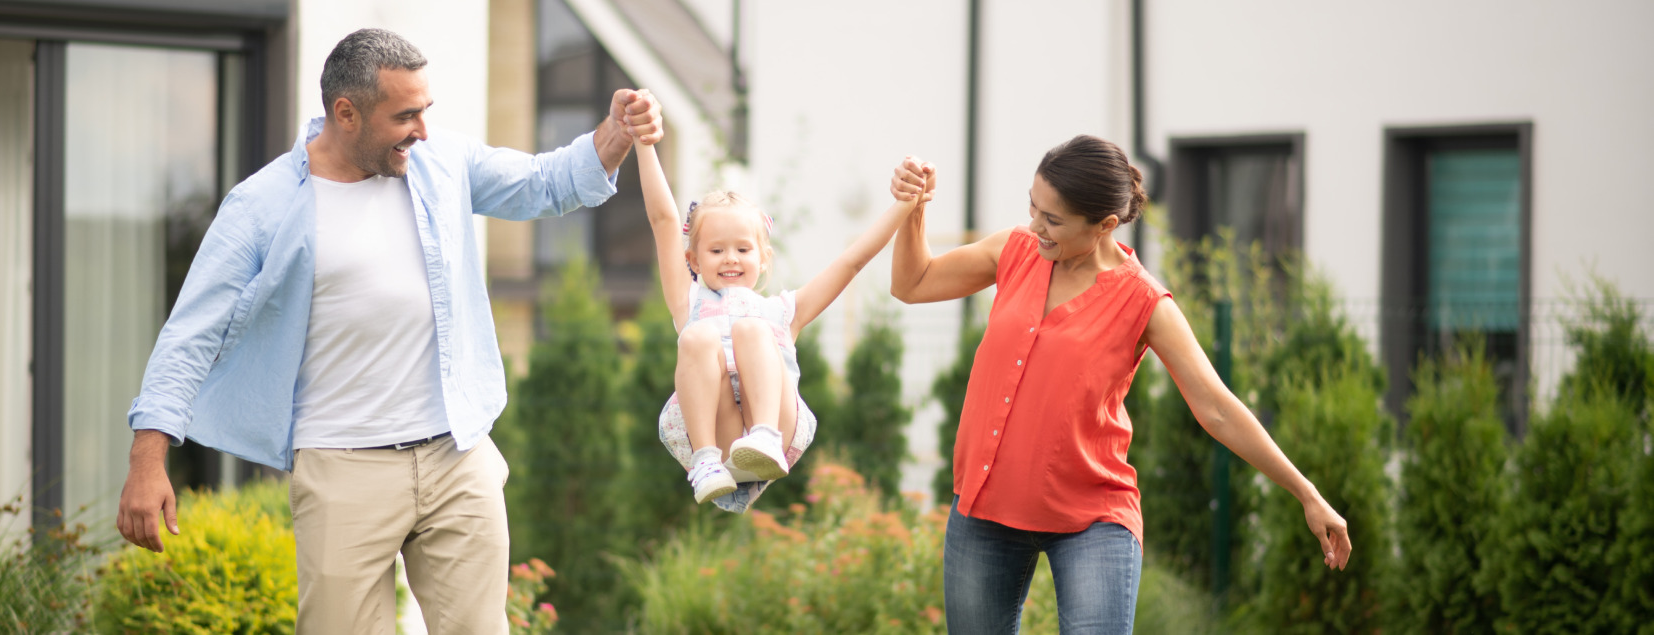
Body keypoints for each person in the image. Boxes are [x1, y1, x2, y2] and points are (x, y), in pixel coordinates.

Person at [114, 28, 663, 634]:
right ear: (345, 113)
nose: (422, 130)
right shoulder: (261, 206)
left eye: (425, 110)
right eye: (405, 116)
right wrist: (148, 460)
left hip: (457, 456)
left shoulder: (440, 162)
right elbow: (191, 334)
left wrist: (616, 133)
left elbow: (545, 183)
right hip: (342, 466)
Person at [887, 135, 1352, 634]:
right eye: (1033, 207)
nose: (1035, 226)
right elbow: (912, 284)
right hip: (985, 508)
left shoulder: (1145, 301)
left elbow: (1216, 407)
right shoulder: (1015, 251)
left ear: (1106, 224)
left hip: (1092, 520)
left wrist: (1306, 493)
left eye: (1053, 220)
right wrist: (913, 209)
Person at [635, 133, 931, 511]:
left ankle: (762, 438)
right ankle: (705, 461)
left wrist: (905, 205)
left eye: (743, 249)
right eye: (716, 250)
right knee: (695, 338)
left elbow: (850, 262)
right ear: (693, 261)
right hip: (721, 439)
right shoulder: (688, 303)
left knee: (751, 327)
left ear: (763, 258)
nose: (730, 258)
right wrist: (644, 141)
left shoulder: (783, 311)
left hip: (776, 427)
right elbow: (663, 220)